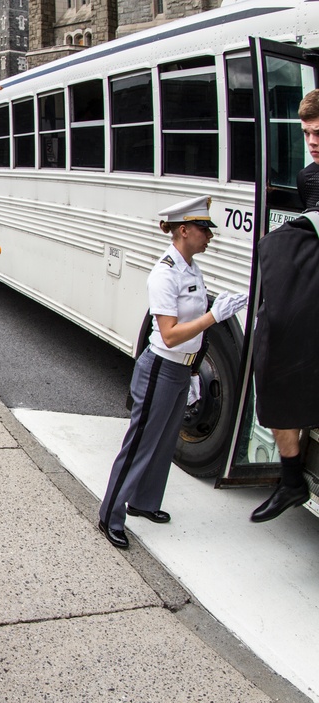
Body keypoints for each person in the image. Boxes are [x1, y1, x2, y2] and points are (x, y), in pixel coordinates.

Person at [98, 196, 248, 549]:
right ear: (183, 230)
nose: (209, 236)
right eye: (203, 229)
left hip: (181, 372)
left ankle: (144, 503)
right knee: (139, 445)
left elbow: (190, 329)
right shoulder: (164, 273)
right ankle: (110, 515)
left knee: (165, 441)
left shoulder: (190, 267)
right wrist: (214, 316)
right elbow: (169, 334)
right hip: (160, 370)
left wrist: (193, 368)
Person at [249, 89, 319, 523]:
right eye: (307, 132)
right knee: (271, 360)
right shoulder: (309, 176)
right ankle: (292, 478)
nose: (312, 140)